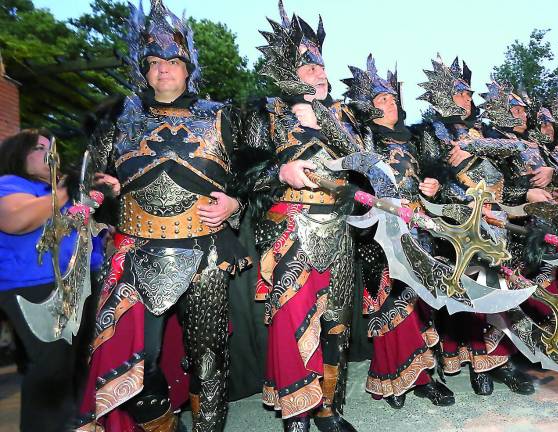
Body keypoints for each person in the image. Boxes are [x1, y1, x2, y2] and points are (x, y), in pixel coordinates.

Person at [76, 1, 249, 430]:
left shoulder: (221, 115)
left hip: (205, 250)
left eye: (172, 61)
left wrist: (234, 204)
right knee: (138, 357)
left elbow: (252, 175)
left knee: (208, 354)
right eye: (154, 62)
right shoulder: (118, 117)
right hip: (137, 252)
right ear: (144, 69)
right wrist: (104, 194)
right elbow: (91, 183)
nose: (163, 69)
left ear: (188, 67)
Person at [247, 2, 363, 430]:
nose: (319, 72)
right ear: (288, 71)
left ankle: (328, 409)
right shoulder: (268, 113)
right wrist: (280, 170)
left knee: (336, 322)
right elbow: (240, 171)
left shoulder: (345, 115)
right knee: (292, 316)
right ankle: (296, 413)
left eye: (321, 66)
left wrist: (321, 116)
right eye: (307, 66)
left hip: (341, 228)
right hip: (292, 227)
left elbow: (362, 164)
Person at [417, 56, 536, 397]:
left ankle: (506, 361)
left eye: (469, 94)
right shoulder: (430, 132)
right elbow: (431, 178)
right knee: (478, 292)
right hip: (464, 223)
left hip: (500, 219)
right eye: (459, 94)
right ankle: (479, 363)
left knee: (506, 291)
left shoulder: (483, 131)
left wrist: (471, 144)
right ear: (441, 96)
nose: (466, 99)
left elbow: (514, 148)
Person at [341, 54, 455, 409]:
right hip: (380, 231)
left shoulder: (415, 138)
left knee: (422, 302)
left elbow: (430, 175)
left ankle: (424, 378)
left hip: (419, 227)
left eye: (392, 98)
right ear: (368, 108)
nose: (391, 103)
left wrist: (432, 185)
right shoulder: (364, 140)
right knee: (389, 303)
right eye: (382, 99)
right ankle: (392, 378)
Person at [0, 129, 103, 431]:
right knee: (51, 371)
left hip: (79, 284)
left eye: (53, 149)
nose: (50, 155)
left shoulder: (54, 194)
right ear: (18, 155)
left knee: (78, 367)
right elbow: (16, 220)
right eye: (40, 148)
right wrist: (70, 190)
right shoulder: (9, 184)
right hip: (35, 286)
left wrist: (100, 196)